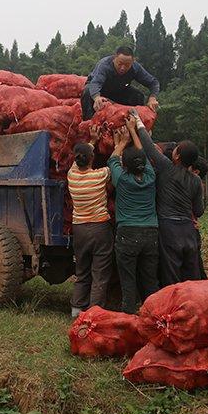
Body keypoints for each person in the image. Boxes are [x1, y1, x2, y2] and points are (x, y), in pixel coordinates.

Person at [129, 109, 204, 286]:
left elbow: (148, 147)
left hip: (169, 230)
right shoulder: (196, 181)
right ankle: (192, 307)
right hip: (188, 232)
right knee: (191, 275)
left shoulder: (166, 167)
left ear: (176, 156)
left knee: (170, 276)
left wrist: (138, 121)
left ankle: (172, 310)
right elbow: (198, 211)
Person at [108, 120, 159, 313]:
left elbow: (112, 159)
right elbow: (143, 154)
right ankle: (153, 315)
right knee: (150, 279)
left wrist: (121, 142)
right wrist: (133, 130)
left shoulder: (121, 179)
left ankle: (129, 315)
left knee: (128, 279)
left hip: (127, 233)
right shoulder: (150, 177)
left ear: (125, 166)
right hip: (151, 234)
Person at [66, 129, 114, 318]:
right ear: (92, 158)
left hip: (79, 230)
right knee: (100, 273)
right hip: (100, 228)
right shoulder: (101, 175)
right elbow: (115, 161)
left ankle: (76, 311)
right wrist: (118, 144)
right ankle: (94, 314)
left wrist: (91, 141)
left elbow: (80, 159)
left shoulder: (72, 176)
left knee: (82, 271)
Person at [81, 46, 160, 120]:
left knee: (138, 95)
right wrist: (96, 97)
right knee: (87, 91)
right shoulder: (104, 65)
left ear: (133, 61)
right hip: (100, 90)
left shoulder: (136, 68)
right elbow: (96, 83)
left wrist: (152, 98)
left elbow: (153, 83)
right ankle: (89, 122)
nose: (122, 68)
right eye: (120, 64)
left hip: (120, 90)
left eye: (127, 65)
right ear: (114, 58)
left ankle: (137, 124)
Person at [191, 156, 208, 280]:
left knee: (194, 265)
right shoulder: (196, 183)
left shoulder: (194, 183)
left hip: (190, 229)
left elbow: (199, 211)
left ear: (196, 172)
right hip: (192, 229)